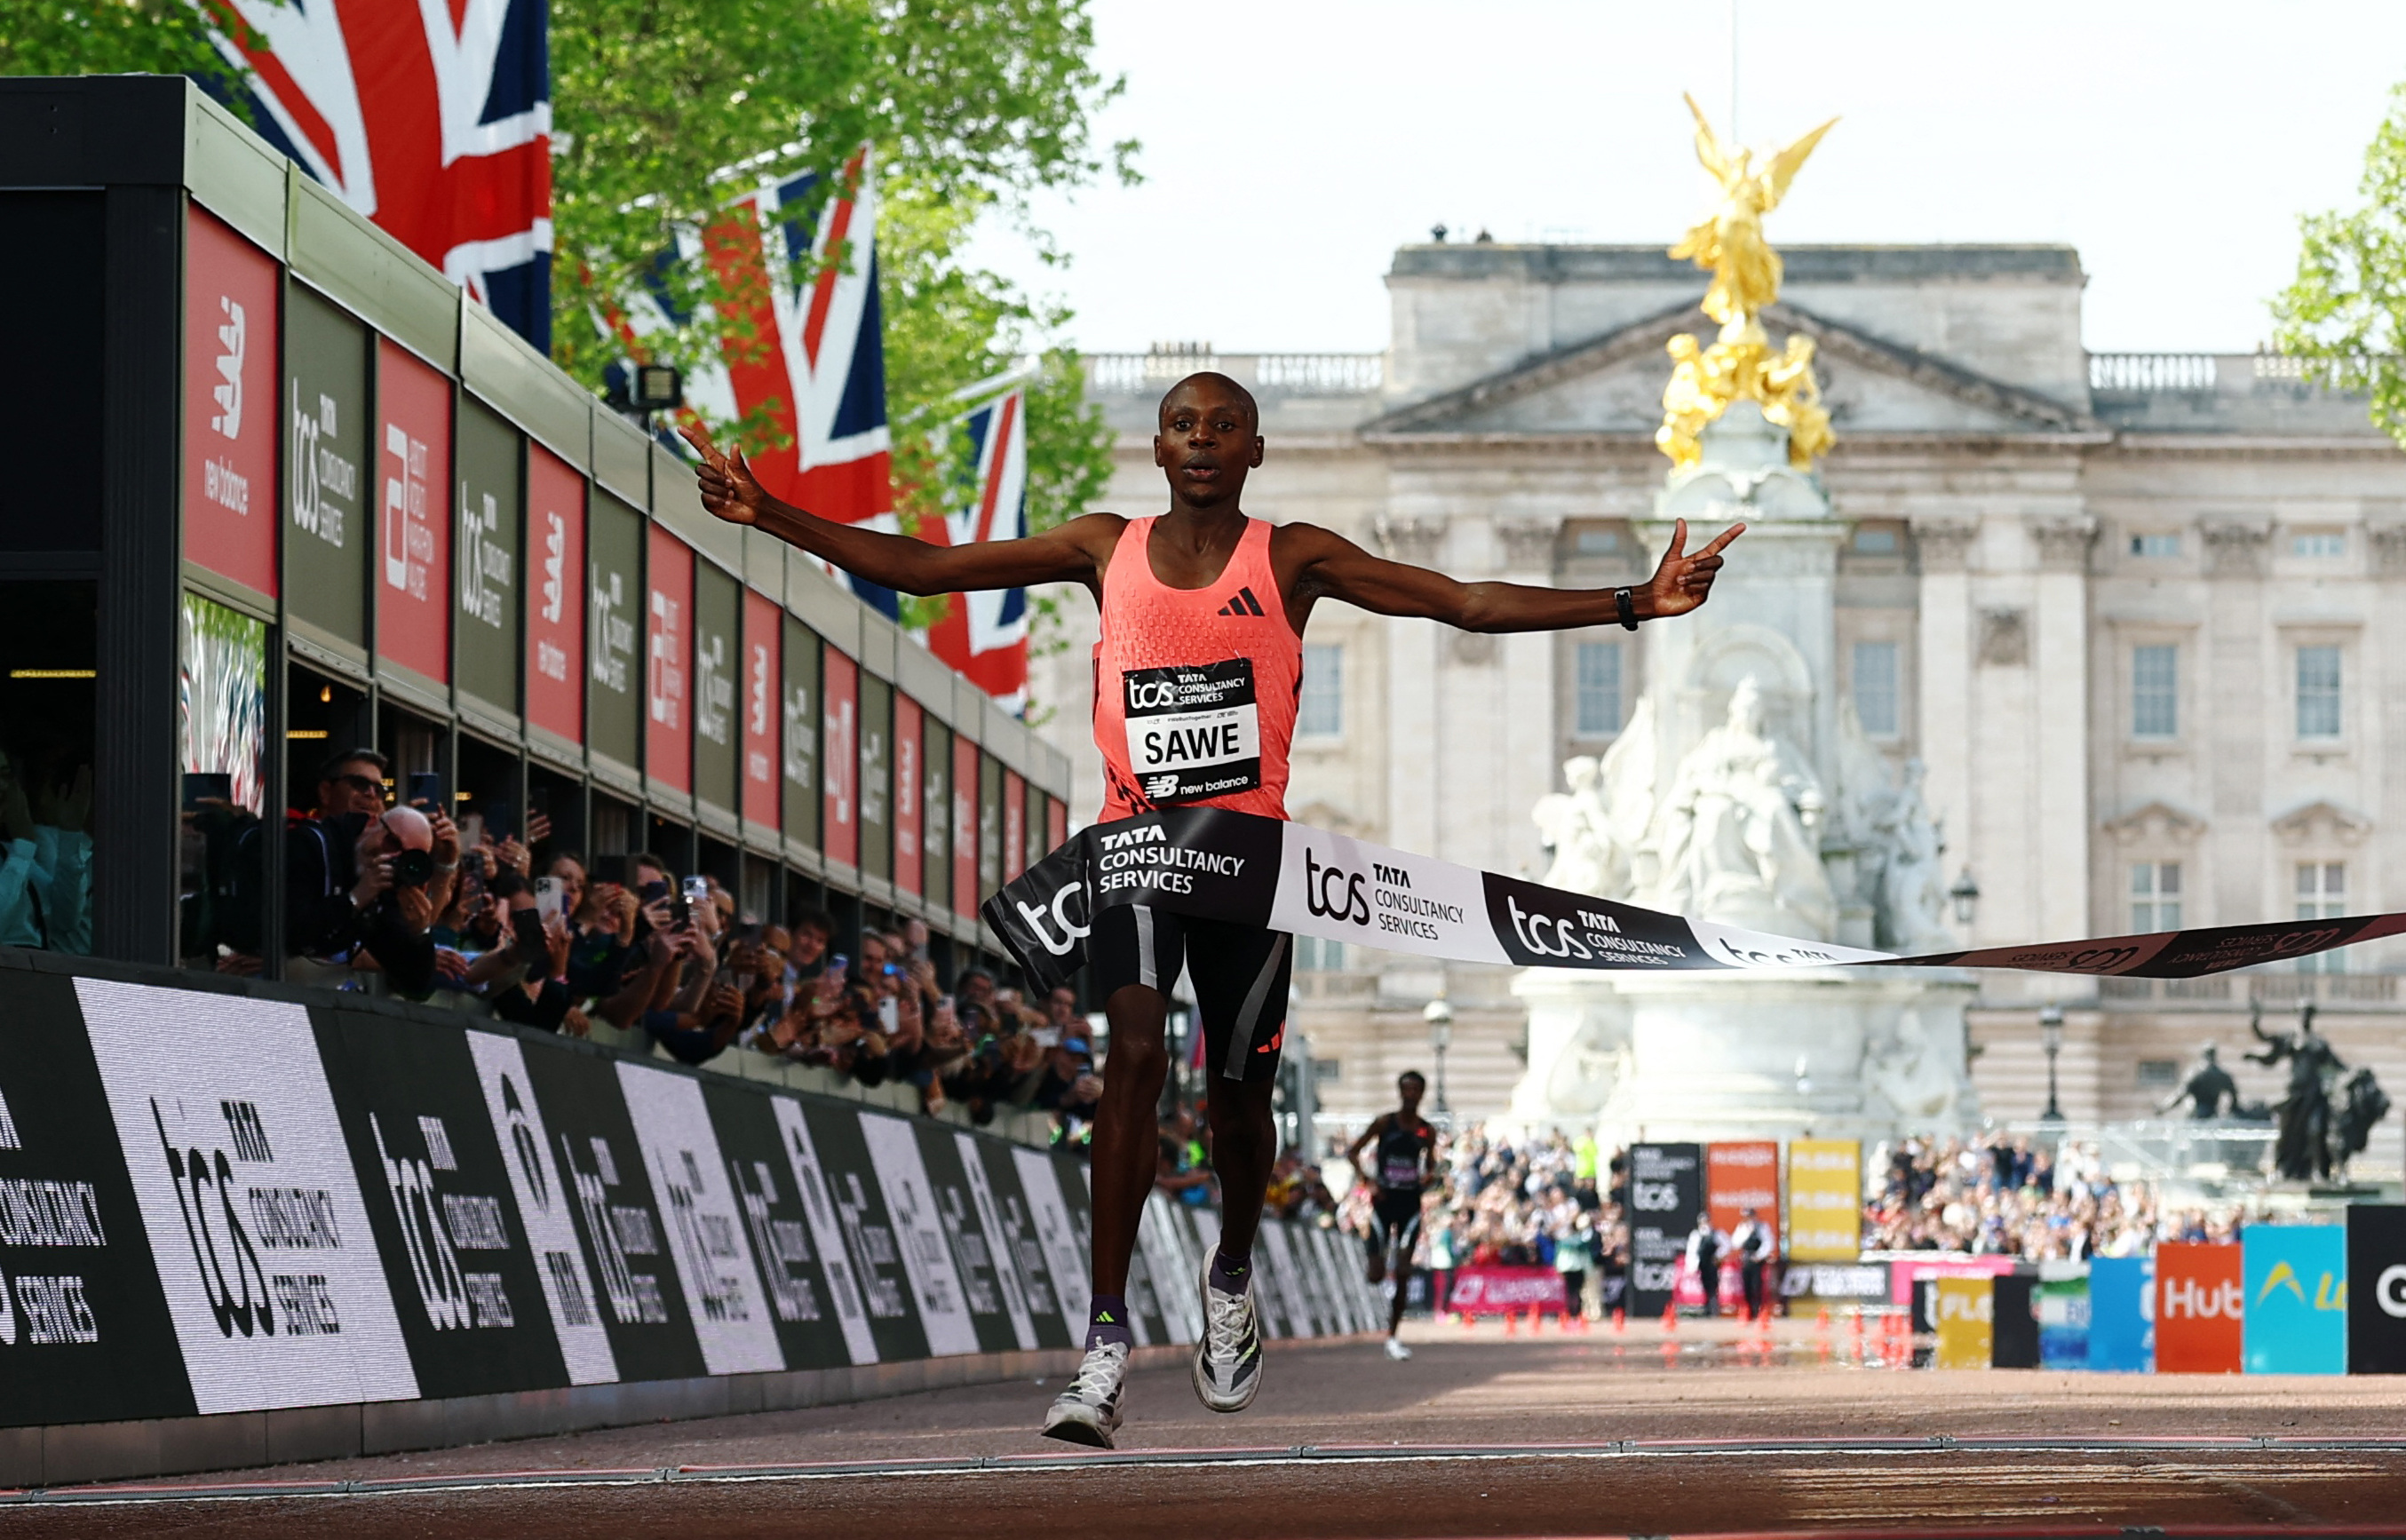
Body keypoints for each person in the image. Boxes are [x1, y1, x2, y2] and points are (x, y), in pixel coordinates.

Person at [680, 371, 1740, 1448]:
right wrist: (771, 513)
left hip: (1246, 866)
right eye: (1183, 426)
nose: (1201, 441)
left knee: (1239, 1107)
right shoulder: (1104, 547)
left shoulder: (1293, 558)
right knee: (1135, 1053)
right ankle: (1103, 1344)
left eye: (1223, 427)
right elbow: (929, 569)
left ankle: (1231, 1270)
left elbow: (1460, 602)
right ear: (1158, 447)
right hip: (1138, 848)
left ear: (1254, 451)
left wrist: (1632, 603)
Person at [1347, 1071, 1440, 1361]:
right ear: (1400, 1091)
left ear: (1422, 1093)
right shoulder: (1385, 1123)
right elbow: (1353, 1152)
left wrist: (1429, 1176)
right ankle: (1372, 1262)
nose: (1410, 1094)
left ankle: (1393, 1336)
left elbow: (1431, 1165)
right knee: (1376, 1275)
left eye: (1415, 1090)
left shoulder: (1426, 1131)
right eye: (1406, 1089)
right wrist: (1368, 1181)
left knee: (1403, 1270)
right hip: (1383, 1203)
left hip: (1410, 1205)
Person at [1729, 1206, 1774, 1321]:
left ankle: (1757, 1310)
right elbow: (1735, 1243)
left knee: (1756, 1286)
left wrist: (1759, 1256)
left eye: (1749, 1216)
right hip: (1746, 1260)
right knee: (1746, 1286)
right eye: (1745, 1216)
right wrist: (1746, 1232)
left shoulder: (1762, 1227)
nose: (1747, 1218)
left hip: (1757, 1260)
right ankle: (1748, 1310)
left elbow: (1768, 1243)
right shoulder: (1741, 1228)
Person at [1686, 1211, 1727, 1319]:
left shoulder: (1716, 1234)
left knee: (1713, 1286)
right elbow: (1691, 1251)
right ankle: (1706, 1309)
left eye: (1706, 1221)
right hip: (1702, 1264)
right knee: (1704, 1286)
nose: (1704, 1223)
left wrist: (1718, 1256)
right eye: (1702, 1221)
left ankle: (1713, 1310)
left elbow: (1726, 1245)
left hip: (1712, 1264)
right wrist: (1691, 1266)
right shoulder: (1696, 1235)